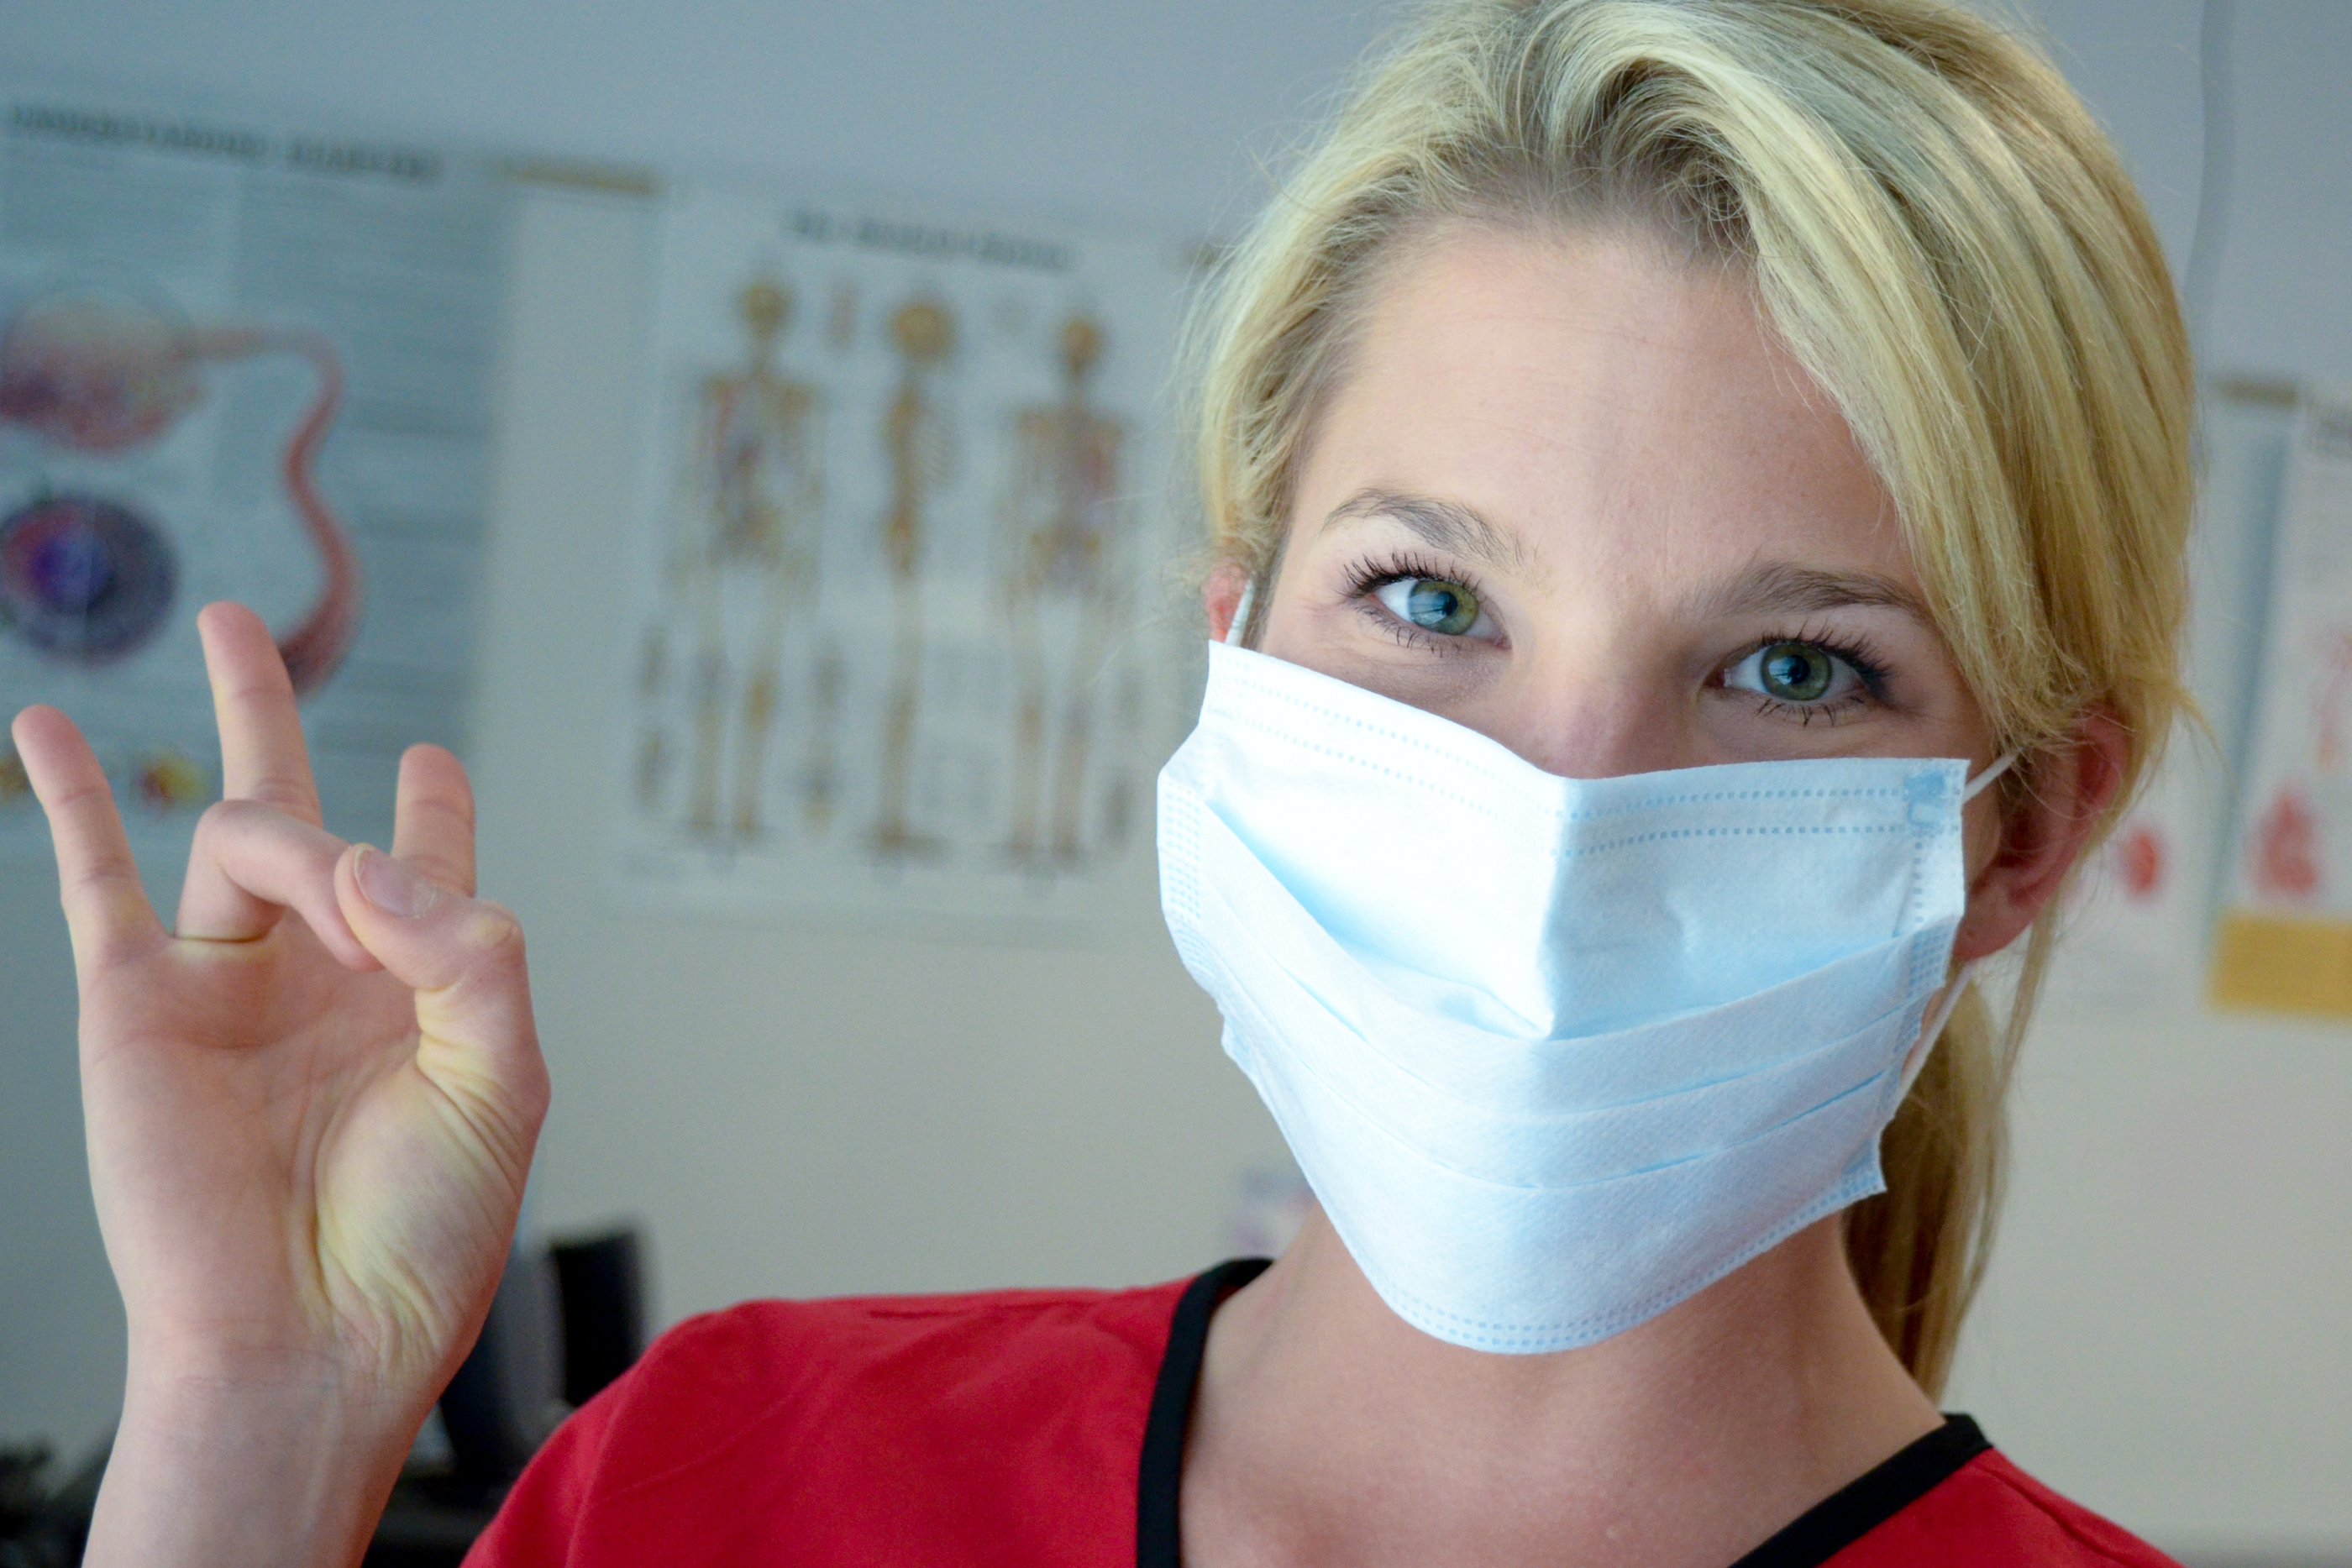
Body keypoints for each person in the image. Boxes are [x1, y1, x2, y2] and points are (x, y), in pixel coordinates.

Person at [8, 0, 2195, 1563]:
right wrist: (255, 1432)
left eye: (1793, 665)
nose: (1558, 808)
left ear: (2017, 828)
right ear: (1230, 638)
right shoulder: (736, 1484)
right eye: (1431, 598)